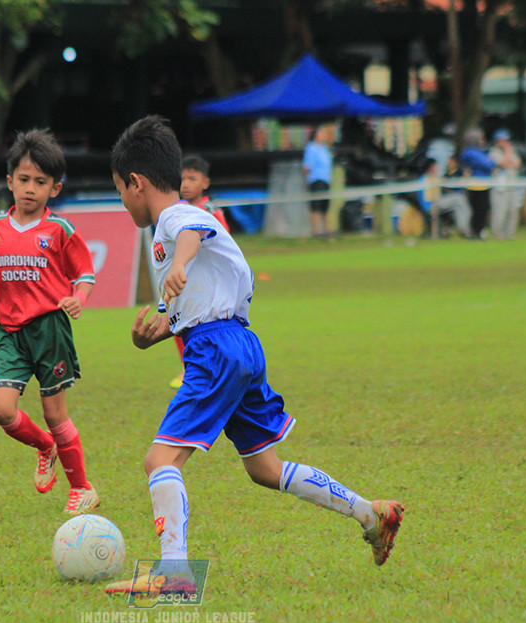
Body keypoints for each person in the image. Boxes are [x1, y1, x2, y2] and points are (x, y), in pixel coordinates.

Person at [104, 116, 404, 596]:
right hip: (239, 342)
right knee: (264, 469)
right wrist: (151, 335)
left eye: (121, 191)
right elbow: (189, 309)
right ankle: (370, 513)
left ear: (136, 183)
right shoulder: (172, 227)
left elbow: (194, 231)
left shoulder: (175, 218)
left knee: (160, 458)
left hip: (216, 349)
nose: (123, 202)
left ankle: (174, 574)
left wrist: (178, 262)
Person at [0, 129, 100, 516]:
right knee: (2, 410)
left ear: (55, 188)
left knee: (55, 414)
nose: (30, 189)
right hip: (10, 332)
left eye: (40, 182)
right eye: (24, 180)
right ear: (9, 182)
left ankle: (82, 488)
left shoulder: (60, 231)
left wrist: (78, 298)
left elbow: (86, 274)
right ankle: (44, 447)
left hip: (50, 330)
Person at [169, 154, 230, 389]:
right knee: (177, 322)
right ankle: (190, 370)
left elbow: (223, 243)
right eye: (182, 179)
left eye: (192, 179)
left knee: (200, 325)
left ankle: (202, 371)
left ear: (205, 183)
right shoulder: (177, 211)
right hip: (186, 279)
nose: (185, 184)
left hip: (206, 282)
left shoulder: (209, 211)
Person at [418, 156, 473, 239]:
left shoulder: (435, 177)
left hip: (438, 202)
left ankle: (464, 231)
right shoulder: (425, 179)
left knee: (458, 207)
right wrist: (428, 209)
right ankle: (465, 230)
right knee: (459, 198)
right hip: (432, 205)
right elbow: (425, 198)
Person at [459, 128, 494, 240]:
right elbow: (488, 165)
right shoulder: (470, 153)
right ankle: (475, 232)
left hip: (483, 184)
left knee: (483, 209)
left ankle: (479, 232)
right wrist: (490, 162)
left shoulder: (479, 152)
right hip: (476, 186)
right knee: (478, 209)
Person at [487, 129, 523, 240]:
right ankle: (498, 234)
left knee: (512, 211)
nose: (506, 143)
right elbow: (502, 163)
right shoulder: (493, 152)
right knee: (500, 211)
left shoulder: (512, 151)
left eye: (507, 140)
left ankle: (510, 234)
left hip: (512, 185)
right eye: (503, 140)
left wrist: (509, 157)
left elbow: (517, 163)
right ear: (497, 141)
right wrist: (508, 153)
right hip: (499, 187)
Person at [302, 124, 335, 238]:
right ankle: (316, 231)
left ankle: (327, 230)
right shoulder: (311, 148)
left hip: (326, 180)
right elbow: (306, 167)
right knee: (315, 206)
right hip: (316, 180)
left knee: (325, 206)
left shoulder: (324, 148)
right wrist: (306, 181)